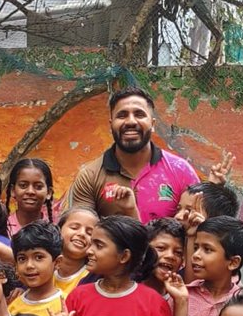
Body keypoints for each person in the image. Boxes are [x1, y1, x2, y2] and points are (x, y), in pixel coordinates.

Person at [65, 87, 199, 222]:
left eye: (139, 114)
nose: (130, 122)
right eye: (122, 115)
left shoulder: (181, 171)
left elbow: (200, 229)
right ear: (111, 125)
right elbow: (82, 231)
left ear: (152, 124)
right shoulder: (90, 176)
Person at [178, 215, 243, 316]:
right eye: (196, 248)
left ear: (233, 262)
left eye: (207, 250)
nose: (196, 255)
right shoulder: (181, 298)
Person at [8, 221, 66, 316]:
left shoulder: (67, 304)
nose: (29, 265)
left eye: (38, 257)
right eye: (22, 259)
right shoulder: (12, 308)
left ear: (57, 262)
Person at [53, 206, 99, 296]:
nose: (82, 234)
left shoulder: (96, 278)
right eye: (74, 228)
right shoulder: (42, 268)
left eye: (89, 233)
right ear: (58, 230)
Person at [5, 158, 58, 236]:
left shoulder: (56, 232)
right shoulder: (1, 228)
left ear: (49, 192)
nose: (30, 191)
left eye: (38, 187)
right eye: (23, 185)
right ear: (13, 190)